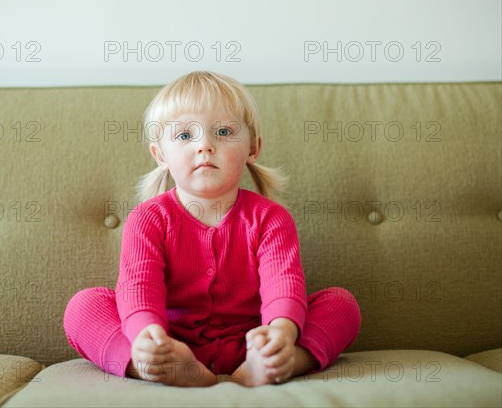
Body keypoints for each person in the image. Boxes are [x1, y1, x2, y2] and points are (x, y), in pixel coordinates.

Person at [64, 71, 361, 387]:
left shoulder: (271, 218)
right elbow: (138, 285)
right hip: (172, 343)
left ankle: (280, 362)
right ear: (160, 155)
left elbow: (284, 282)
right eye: (184, 136)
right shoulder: (147, 218)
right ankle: (151, 365)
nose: (204, 145)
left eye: (222, 131)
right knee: (84, 306)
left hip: (252, 343)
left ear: (253, 148)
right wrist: (146, 334)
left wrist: (281, 333)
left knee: (342, 304)